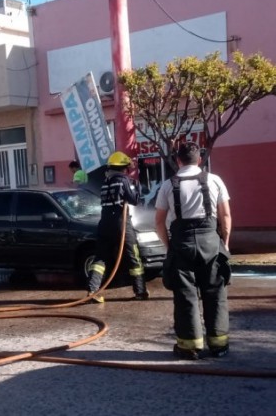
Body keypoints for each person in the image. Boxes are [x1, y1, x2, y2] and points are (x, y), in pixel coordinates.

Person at [154, 142, 232, 360]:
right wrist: (224, 243)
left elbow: (159, 221)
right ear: (199, 160)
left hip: (181, 244)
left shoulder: (168, 185)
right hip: (211, 242)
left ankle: (189, 347)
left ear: (178, 161)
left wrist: (170, 247)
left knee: (185, 296)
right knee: (215, 293)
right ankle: (219, 346)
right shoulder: (215, 180)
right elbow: (225, 216)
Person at [85, 151, 149, 302]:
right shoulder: (123, 180)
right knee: (134, 257)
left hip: (104, 223)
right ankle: (140, 291)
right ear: (123, 167)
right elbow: (134, 200)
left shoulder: (105, 182)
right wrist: (137, 188)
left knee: (101, 258)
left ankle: (93, 290)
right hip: (121, 223)